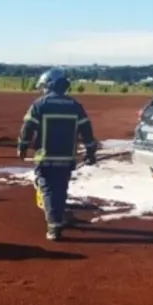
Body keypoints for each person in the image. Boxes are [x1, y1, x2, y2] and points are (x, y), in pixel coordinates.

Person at [17, 68, 98, 241]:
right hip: (67, 157)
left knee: (47, 189)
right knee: (60, 189)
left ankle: (54, 227)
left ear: (49, 85)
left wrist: (22, 147)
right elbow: (86, 130)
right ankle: (58, 217)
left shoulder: (40, 104)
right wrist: (91, 151)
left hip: (45, 157)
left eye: (44, 86)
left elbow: (28, 127)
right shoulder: (75, 105)